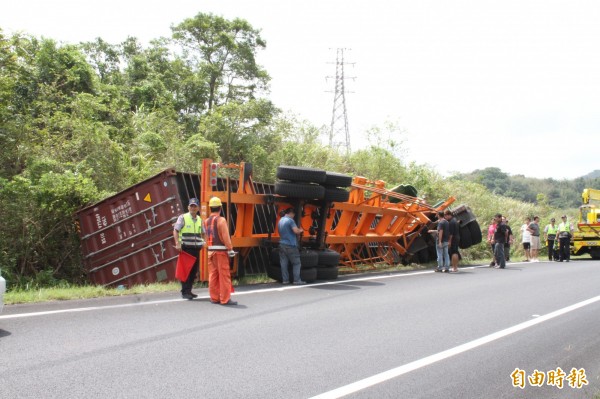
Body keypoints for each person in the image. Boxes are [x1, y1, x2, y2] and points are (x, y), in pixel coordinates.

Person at [205, 196, 237, 305]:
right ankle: (225, 299)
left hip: (210, 252)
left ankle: (214, 298)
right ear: (220, 208)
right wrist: (230, 249)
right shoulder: (221, 220)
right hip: (220, 252)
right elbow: (225, 237)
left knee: (213, 275)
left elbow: (206, 237)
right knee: (224, 275)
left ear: (210, 208)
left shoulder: (206, 221)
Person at [173, 197, 204, 300]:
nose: (193, 208)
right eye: (191, 206)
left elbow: (203, 233)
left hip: (196, 249)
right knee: (186, 271)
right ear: (188, 207)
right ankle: (184, 292)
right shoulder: (183, 217)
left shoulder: (200, 219)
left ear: (198, 208)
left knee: (193, 271)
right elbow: (176, 230)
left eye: (195, 206)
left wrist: (204, 243)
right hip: (186, 249)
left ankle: (189, 291)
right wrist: (177, 243)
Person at [277, 207, 306, 284]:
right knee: (296, 263)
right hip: (290, 245)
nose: (294, 216)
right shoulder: (290, 220)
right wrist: (301, 230)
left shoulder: (280, 220)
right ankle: (297, 280)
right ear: (291, 213)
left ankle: (285, 280)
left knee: (284, 263)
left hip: (282, 244)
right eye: (294, 214)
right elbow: (296, 231)